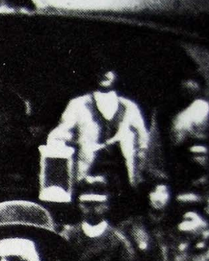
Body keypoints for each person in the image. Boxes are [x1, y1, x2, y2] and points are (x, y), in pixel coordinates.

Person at [47, 64, 150, 193]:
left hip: (122, 178)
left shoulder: (129, 107)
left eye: (110, 69)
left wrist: (139, 173)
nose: (105, 74)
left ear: (117, 73)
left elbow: (144, 143)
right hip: (89, 175)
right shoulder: (79, 104)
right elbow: (59, 135)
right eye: (100, 70)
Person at [166, 73, 209, 191]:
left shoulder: (208, 111)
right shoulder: (176, 115)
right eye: (185, 82)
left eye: (192, 82)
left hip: (202, 167)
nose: (187, 86)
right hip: (186, 169)